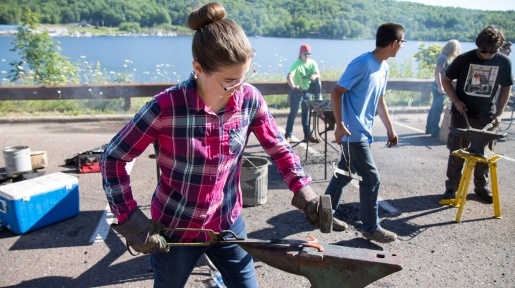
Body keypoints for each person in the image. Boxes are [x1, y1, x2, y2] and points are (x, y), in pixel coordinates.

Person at [100, 3, 328, 287]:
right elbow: (113, 158)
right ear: (198, 68)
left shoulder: (249, 99)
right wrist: (131, 221)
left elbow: (279, 149)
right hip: (174, 228)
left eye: (245, 75)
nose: (239, 87)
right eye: (230, 80)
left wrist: (304, 192)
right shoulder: (165, 107)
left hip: (227, 223)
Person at [324, 23, 405, 243]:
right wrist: (339, 125)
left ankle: (324, 214)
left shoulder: (384, 67)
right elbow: (337, 92)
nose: (401, 47)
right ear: (394, 43)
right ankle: (371, 227)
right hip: (352, 132)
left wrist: (390, 127)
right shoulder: (362, 64)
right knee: (371, 178)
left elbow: (379, 99)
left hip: (363, 131)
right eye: (402, 43)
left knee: (343, 173)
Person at [441, 25, 513, 203]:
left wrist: (499, 113)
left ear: (498, 48)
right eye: (483, 51)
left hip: (486, 117)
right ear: (477, 45)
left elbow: (506, 88)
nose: (487, 54)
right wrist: (456, 101)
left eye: (491, 52)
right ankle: (452, 188)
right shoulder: (464, 59)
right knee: (457, 153)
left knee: (484, 155)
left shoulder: (504, 62)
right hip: (462, 114)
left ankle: (482, 187)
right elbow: (446, 80)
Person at [284, 43, 321, 144]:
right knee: (293, 113)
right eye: (305, 54)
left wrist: (315, 76)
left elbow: (318, 74)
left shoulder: (312, 63)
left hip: (307, 91)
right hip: (297, 91)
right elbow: (289, 76)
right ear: (300, 54)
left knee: (307, 114)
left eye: (309, 54)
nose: (307, 56)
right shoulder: (297, 64)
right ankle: (288, 135)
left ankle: (307, 135)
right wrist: (294, 87)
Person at [425, 39, 462, 137]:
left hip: (438, 86)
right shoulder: (443, 58)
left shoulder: (446, 58)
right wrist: (440, 86)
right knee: (437, 108)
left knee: (434, 108)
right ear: (452, 49)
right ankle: (434, 130)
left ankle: (429, 128)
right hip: (438, 86)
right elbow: (437, 72)